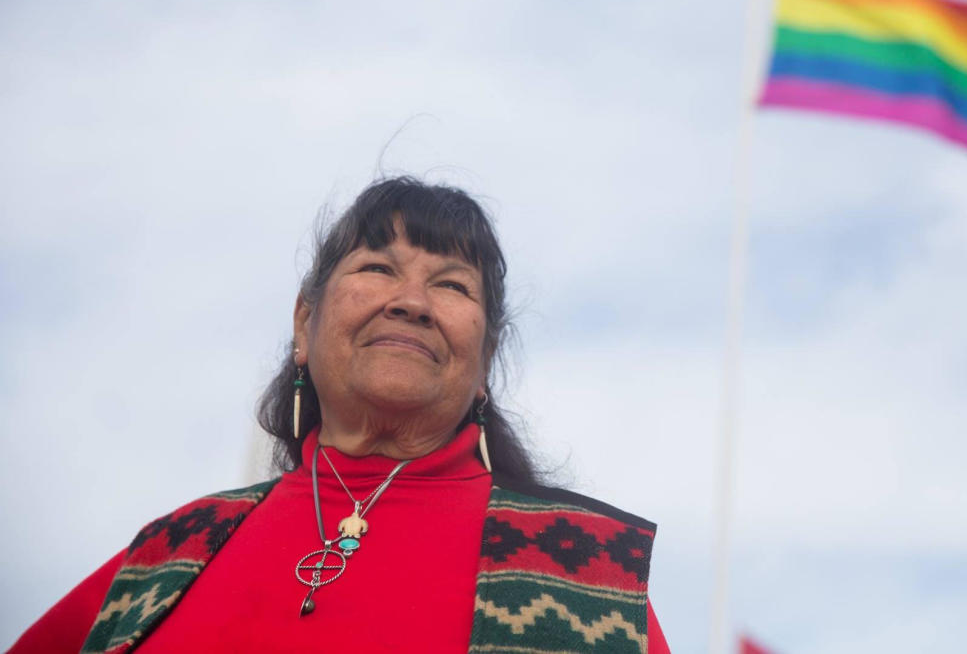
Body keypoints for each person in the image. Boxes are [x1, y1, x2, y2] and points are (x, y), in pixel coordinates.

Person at [11, 177, 668, 653]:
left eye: (451, 284)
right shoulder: (165, 556)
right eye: (378, 267)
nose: (411, 301)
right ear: (305, 322)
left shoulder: (583, 573)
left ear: (485, 358)